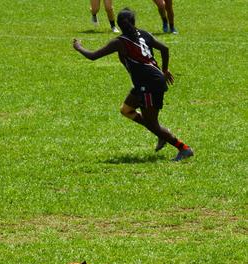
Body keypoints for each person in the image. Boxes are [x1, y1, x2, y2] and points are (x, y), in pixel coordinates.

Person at [72, 8, 193, 161]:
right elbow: (164, 48)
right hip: (146, 83)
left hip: (150, 84)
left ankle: (184, 148)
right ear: (134, 22)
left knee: (152, 123)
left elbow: (93, 56)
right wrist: (165, 69)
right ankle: (160, 133)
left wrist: (78, 47)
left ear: (119, 25)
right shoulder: (144, 34)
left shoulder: (120, 42)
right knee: (126, 110)